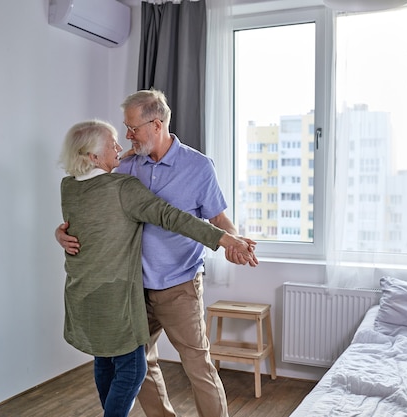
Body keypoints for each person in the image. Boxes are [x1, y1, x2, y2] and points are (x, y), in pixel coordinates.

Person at [56, 89, 258, 417]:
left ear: (157, 123)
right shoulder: (123, 168)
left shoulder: (198, 166)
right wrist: (62, 232)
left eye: (133, 128)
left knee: (198, 368)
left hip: (179, 285)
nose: (127, 135)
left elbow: (216, 218)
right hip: (133, 290)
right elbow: (91, 207)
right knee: (142, 367)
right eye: (125, 128)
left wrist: (231, 242)